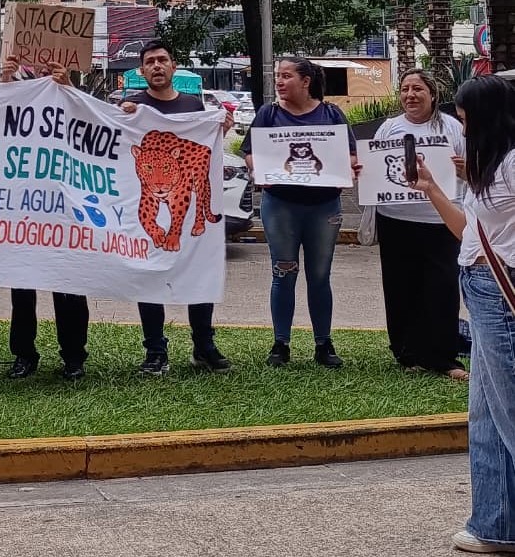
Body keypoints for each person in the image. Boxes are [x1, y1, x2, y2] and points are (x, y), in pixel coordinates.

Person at [408, 75, 515, 553]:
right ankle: (496, 524)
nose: (460, 121)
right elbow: (468, 231)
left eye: (466, 113)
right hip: (478, 282)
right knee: (486, 417)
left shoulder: (511, 165)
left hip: (501, 290)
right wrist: (431, 188)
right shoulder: (490, 167)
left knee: (509, 411)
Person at [120, 40, 234, 375]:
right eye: (150, 62)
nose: (157, 66)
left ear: (173, 66)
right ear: (142, 71)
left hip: (185, 188)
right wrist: (122, 116)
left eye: (162, 60)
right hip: (147, 189)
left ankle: (204, 344)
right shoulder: (132, 106)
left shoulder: (193, 105)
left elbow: (206, 145)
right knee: (149, 272)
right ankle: (155, 350)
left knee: (199, 267)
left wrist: (220, 126)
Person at [242, 57, 359, 368]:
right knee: (283, 273)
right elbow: (250, 153)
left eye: (286, 76)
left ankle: (324, 344)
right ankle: (281, 343)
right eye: (277, 76)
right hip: (280, 204)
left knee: (320, 276)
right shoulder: (268, 113)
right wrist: (260, 170)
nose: (279, 82)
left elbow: (349, 154)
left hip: (324, 207)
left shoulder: (332, 114)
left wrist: (351, 168)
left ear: (306, 81)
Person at [372, 69, 468, 379]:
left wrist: (465, 169)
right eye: (404, 89)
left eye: (417, 89)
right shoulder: (388, 128)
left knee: (442, 289)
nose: (410, 95)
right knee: (401, 287)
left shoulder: (452, 127)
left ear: (432, 94)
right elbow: (374, 170)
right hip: (396, 221)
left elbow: (472, 173)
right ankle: (406, 352)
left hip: (441, 222)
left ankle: (444, 357)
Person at [0, 55, 91, 381]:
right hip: (23, 207)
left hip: (64, 210)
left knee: (69, 288)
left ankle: (74, 357)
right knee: (22, 290)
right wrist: (6, 81)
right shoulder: (16, 92)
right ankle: (24, 354)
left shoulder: (70, 93)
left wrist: (65, 86)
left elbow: (93, 121)